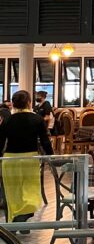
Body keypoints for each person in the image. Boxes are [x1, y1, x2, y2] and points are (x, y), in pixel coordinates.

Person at [0, 90, 53, 226]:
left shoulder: (7, 120)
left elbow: (0, 142)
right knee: (31, 190)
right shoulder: (37, 119)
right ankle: (25, 214)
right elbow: (45, 141)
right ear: (29, 103)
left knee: (13, 192)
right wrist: (51, 157)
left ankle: (17, 219)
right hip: (30, 158)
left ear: (13, 104)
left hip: (10, 160)